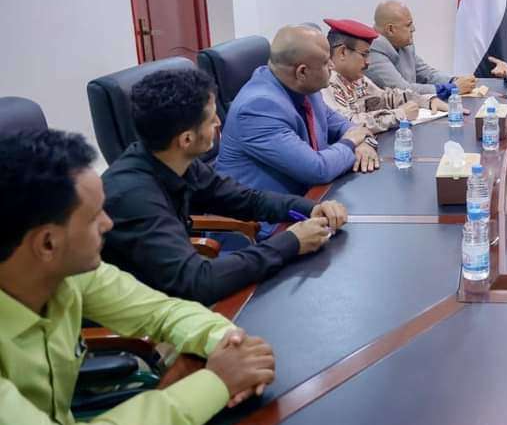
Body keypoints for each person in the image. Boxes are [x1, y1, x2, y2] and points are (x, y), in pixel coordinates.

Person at [0, 129, 278, 425]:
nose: (108, 223)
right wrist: (217, 382)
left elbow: (163, 311)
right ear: (47, 244)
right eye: (94, 217)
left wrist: (228, 343)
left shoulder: (69, 274)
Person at [102, 68, 347, 305]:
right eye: (211, 119)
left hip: (174, 298)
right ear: (186, 139)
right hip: (145, 318)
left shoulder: (173, 160)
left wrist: (309, 208)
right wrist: (290, 242)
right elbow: (197, 282)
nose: (219, 122)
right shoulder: (133, 197)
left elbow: (247, 199)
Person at [216, 25, 380, 204]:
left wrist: (364, 144)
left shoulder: (306, 88)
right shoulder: (258, 108)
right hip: (263, 216)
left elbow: (343, 125)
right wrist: (351, 143)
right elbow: (318, 170)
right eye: (326, 62)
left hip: (310, 199)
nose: (332, 66)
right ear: (302, 72)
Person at [323, 18, 448, 132]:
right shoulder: (326, 83)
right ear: (342, 52)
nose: (368, 62)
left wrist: (427, 101)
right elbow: (348, 124)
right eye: (364, 55)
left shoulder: (356, 79)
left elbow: (386, 98)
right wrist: (399, 115)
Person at [366, 0, 476, 98]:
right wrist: (452, 88)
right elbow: (402, 90)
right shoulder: (371, 52)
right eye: (408, 25)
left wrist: (453, 80)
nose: (413, 29)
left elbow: (427, 74)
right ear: (390, 29)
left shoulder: (403, 44)